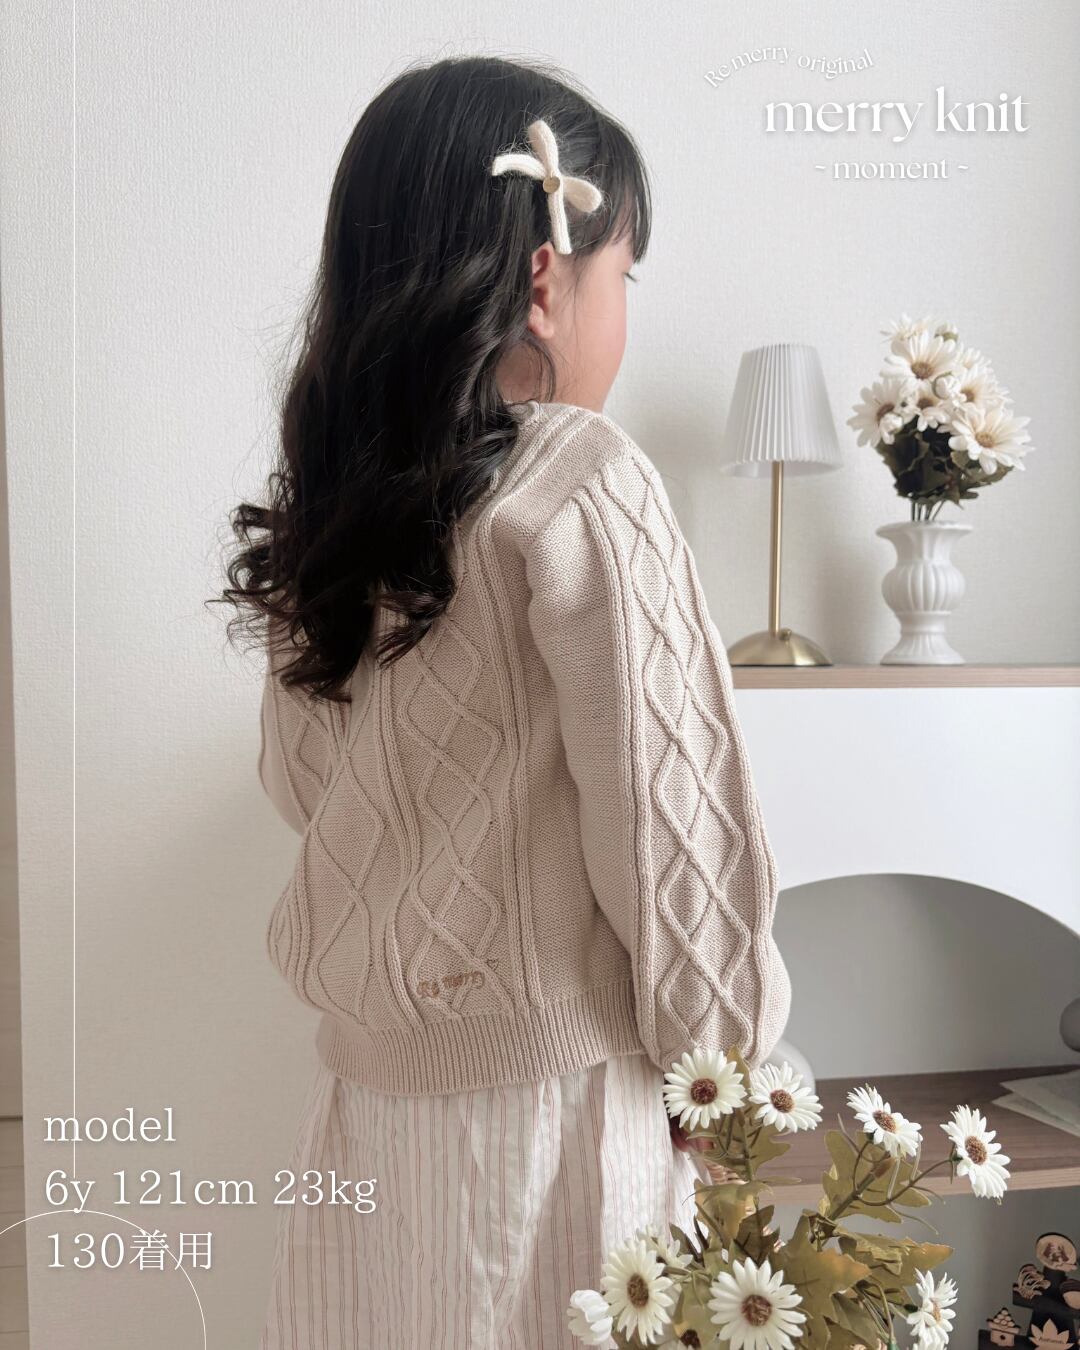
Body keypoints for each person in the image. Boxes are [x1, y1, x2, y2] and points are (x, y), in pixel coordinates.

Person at [220, 52, 791, 1350]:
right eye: (623, 275)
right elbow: (672, 830)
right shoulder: (583, 481)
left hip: (366, 1122)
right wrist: (720, 1071)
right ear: (546, 279)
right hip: (557, 1118)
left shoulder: (338, 514)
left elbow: (306, 792)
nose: (623, 312)